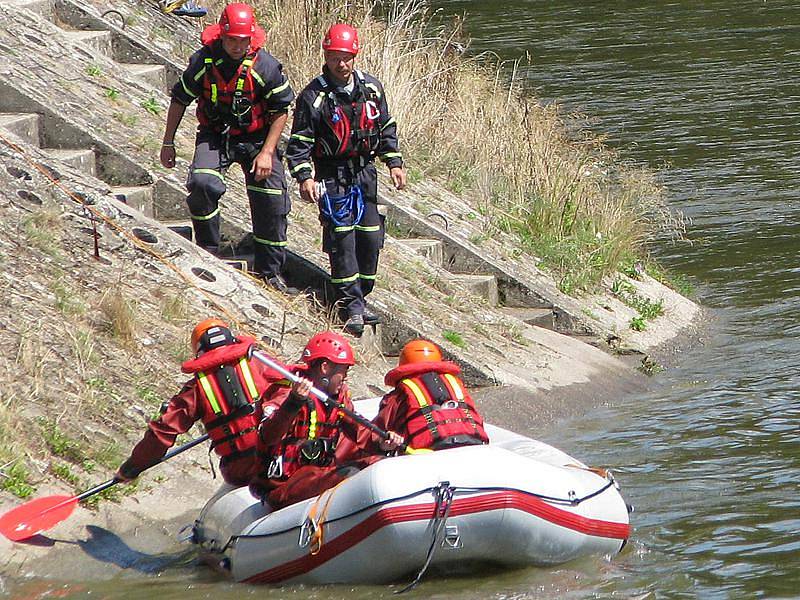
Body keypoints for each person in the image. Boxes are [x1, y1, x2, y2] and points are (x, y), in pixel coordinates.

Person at [160, 3, 298, 294]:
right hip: (215, 135)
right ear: (221, 36)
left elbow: (281, 110)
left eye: (243, 40)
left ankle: (271, 272)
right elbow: (179, 99)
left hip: (258, 139)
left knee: (272, 201)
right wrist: (168, 142)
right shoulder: (203, 62)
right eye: (232, 40)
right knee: (202, 184)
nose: (237, 46)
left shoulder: (265, 67)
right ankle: (209, 253)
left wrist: (267, 153)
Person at [285, 24, 407, 335]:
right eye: (335, 57)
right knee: (342, 239)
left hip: (365, 173)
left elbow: (385, 128)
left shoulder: (372, 89)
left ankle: (361, 294)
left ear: (355, 56)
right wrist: (304, 177)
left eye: (346, 57)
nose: (341, 64)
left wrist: (393, 162)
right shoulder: (314, 96)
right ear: (326, 56)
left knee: (369, 237)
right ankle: (351, 305)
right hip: (331, 175)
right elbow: (299, 144)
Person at [115, 319, 279, 486]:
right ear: (232, 340)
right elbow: (293, 385)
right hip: (282, 455)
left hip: (242, 469)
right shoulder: (261, 363)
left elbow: (162, 433)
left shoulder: (195, 388)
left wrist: (132, 467)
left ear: (199, 351)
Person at [251, 331, 365, 509]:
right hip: (282, 486)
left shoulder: (339, 398)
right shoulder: (287, 392)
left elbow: (360, 430)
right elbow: (269, 435)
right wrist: (293, 402)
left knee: (369, 464)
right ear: (325, 368)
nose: (345, 377)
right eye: (343, 370)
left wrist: (383, 442)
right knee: (350, 474)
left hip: (315, 476)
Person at [361, 339, 489, 454]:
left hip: (428, 453)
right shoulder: (457, 386)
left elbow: (375, 434)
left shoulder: (398, 395)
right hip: (474, 445)